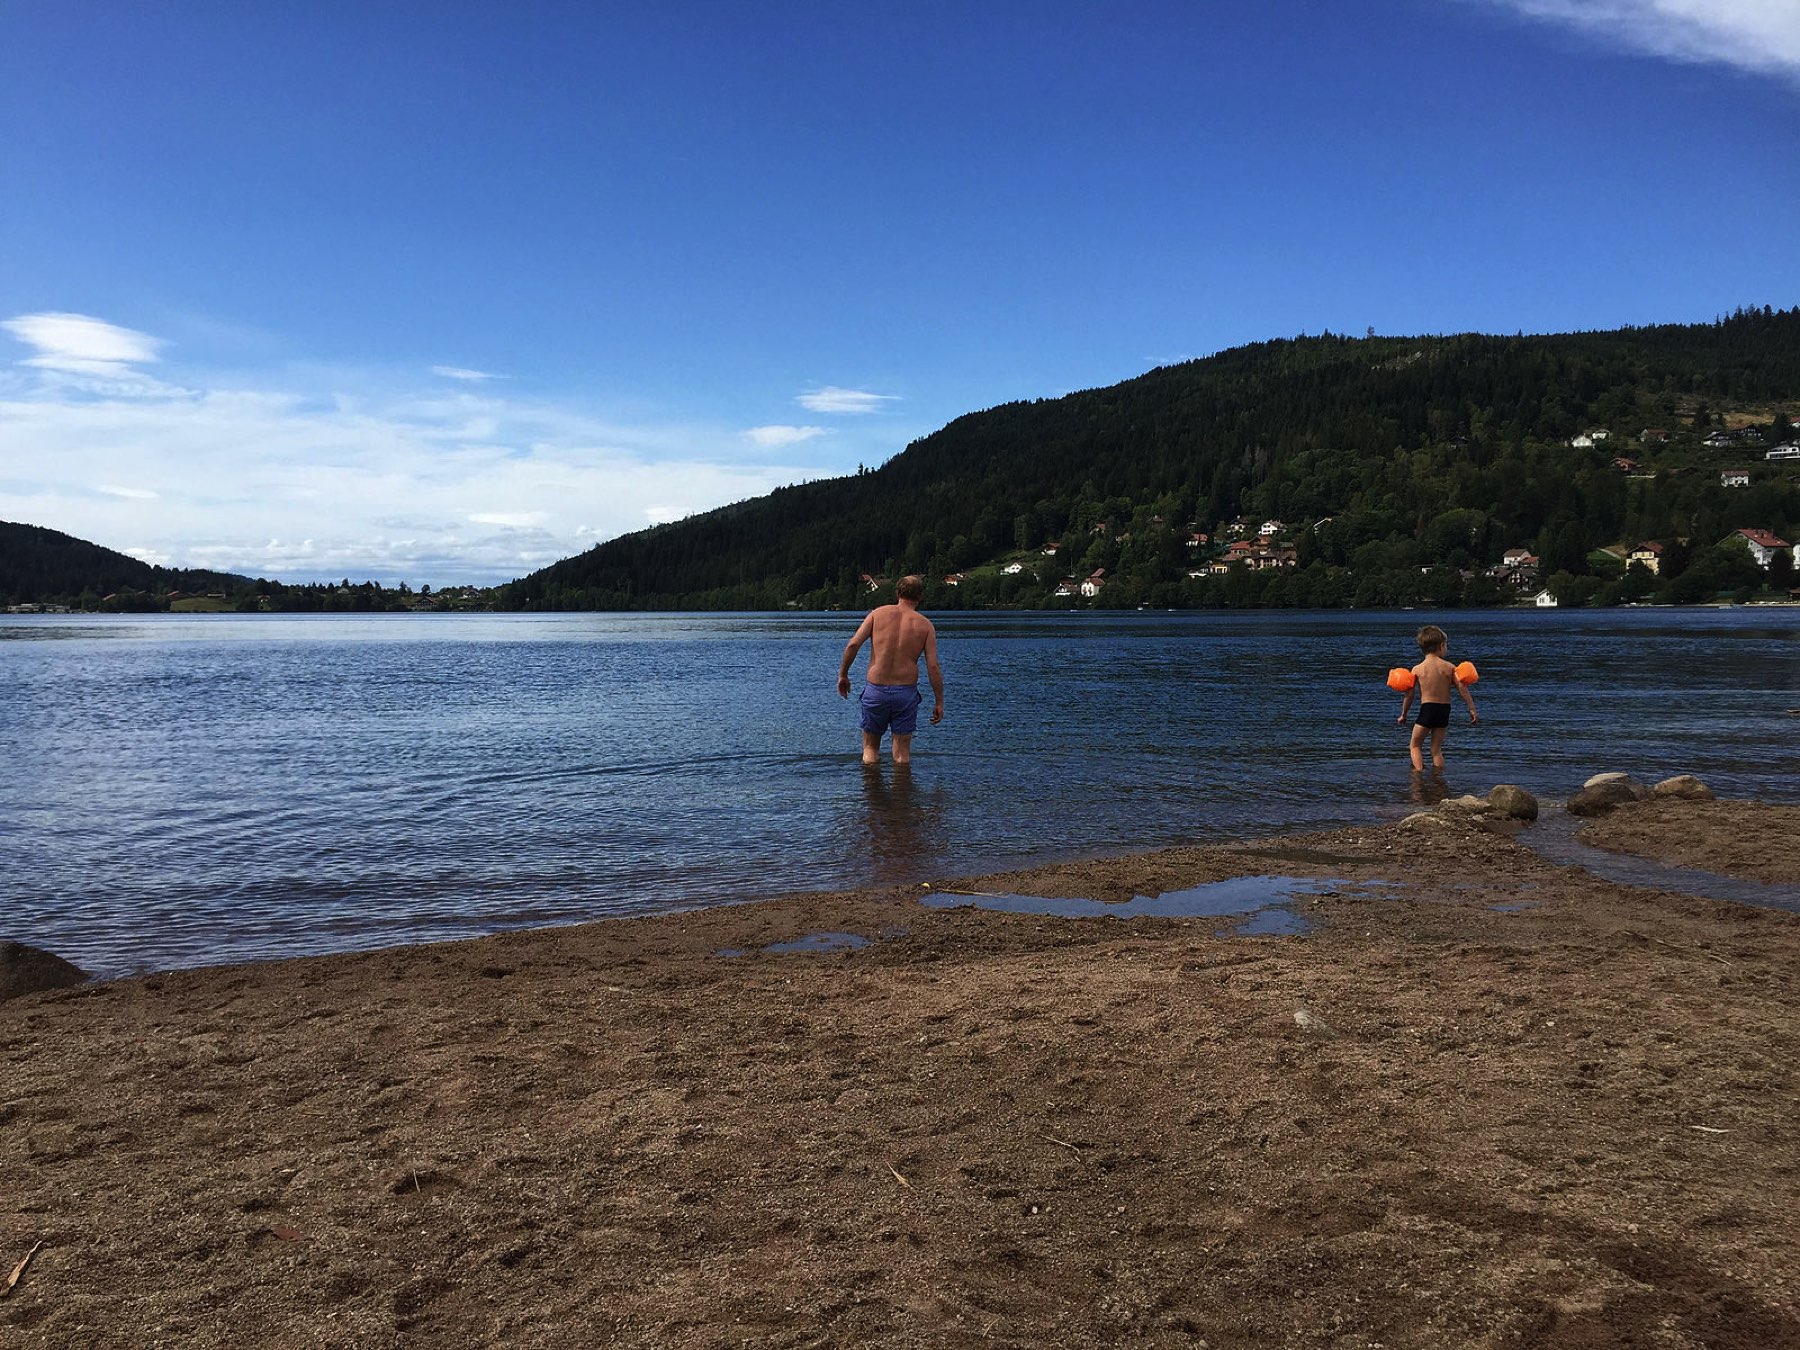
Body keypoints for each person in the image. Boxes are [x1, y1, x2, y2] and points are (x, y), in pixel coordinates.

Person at [837, 575, 944, 765]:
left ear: (897, 592)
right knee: (902, 755)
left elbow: (853, 644)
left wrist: (843, 674)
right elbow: (933, 666)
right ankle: (902, 794)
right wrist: (939, 702)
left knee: (870, 750)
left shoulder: (877, 614)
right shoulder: (925, 625)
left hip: (876, 690)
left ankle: (871, 793)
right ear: (920, 596)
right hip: (905, 693)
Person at [1395, 624, 1477, 773]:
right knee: (1436, 750)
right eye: (1446, 645)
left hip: (1427, 709)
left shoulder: (1417, 669)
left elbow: (1410, 695)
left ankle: (1418, 773)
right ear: (1441, 646)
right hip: (1444, 710)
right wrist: (1472, 709)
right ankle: (1438, 777)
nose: (1446, 648)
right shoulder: (1450, 667)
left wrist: (1403, 715)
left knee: (1415, 745)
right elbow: (1462, 689)